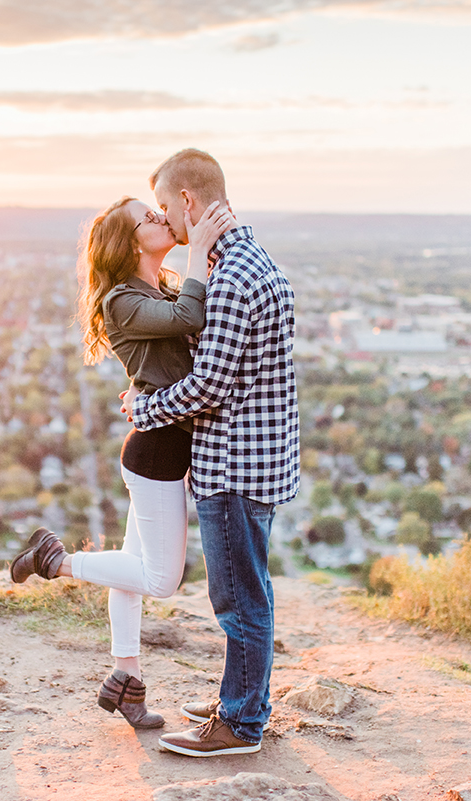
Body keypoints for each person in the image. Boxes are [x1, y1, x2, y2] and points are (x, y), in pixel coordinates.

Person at [9, 194, 234, 729]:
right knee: (160, 580)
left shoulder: (158, 287)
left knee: (131, 575)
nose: (161, 219)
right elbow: (191, 315)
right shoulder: (122, 300)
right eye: (148, 218)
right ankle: (53, 560)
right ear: (129, 242)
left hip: (160, 445)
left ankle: (126, 682)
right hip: (155, 452)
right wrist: (199, 246)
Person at [121, 148, 300, 757]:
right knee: (253, 590)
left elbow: (209, 385)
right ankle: (241, 697)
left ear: (189, 203)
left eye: (168, 209)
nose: (166, 223)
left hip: (234, 464)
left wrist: (142, 408)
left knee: (238, 599)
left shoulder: (227, 280)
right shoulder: (255, 262)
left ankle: (242, 725)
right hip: (263, 459)